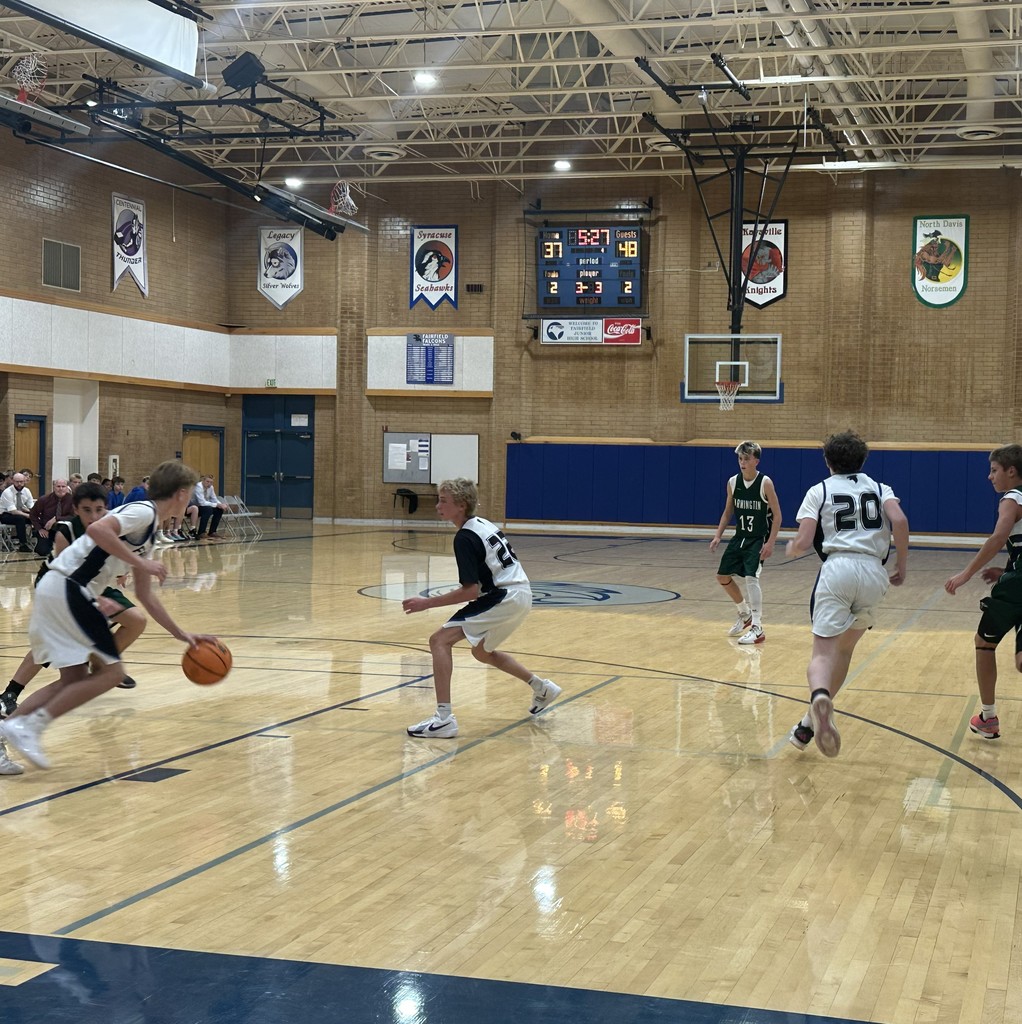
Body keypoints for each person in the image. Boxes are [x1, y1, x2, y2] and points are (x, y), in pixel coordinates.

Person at [0, 461, 217, 771]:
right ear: (182, 494)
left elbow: (144, 596)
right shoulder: (143, 511)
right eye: (192, 493)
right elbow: (100, 529)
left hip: (63, 589)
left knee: (73, 679)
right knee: (111, 674)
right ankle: (29, 727)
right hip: (68, 587)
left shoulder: (150, 531)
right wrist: (140, 564)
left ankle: (7, 731)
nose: (193, 500)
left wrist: (182, 634)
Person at [401, 478, 560, 738]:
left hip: (504, 596)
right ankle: (541, 687)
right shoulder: (482, 523)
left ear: (461, 505)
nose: (438, 505)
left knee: (439, 641)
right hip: (521, 594)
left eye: (443, 500)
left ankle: (443, 719)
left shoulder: (465, 537)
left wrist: (426, 603)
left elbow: (470, 591)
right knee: (482, 653)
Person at [784, 432, 909, 757]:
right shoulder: (882, 489)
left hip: (838, 569)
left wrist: (794, 548)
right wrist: (902, 564)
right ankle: (807, 726)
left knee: (823, 654)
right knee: (845, 651)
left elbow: (805, 537)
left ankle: (820, 698)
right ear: (863, 460)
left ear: (828, 461)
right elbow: (900, 521)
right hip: (873, 573)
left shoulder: (820, 490)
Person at [944, 444, 1022, 740]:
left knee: (983, 643)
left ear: (1011, 472)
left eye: (994, 470)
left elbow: (998, 536)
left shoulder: (1011, 499)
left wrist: (967, 573)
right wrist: (1006, 570)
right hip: (1017, 576)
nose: (990, 477)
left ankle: (988, 718)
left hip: (1019, 584)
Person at [709, 441, 782, 645]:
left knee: (751, 577)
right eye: (740, 458)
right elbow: (727, 512)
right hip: (740, 536)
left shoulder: (765, 482)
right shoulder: (733, 482)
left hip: (758, 538)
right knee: (722, 576)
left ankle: (758, 627)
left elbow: (777, 516)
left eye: (746, 459)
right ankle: (745, 614)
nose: (742, 462)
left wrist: (771, 542)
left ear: (756, 461)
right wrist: (718, 536)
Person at [29, 477, 73, 557]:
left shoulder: (73, 500)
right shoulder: (44, 499)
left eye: (63, 486)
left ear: (67, 487)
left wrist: (56, 518)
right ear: (53, 487)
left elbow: (74, 516)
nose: (61, 489)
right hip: (47, 530)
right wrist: (39, 529)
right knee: (42, 551)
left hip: (65, 531)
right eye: (58, 486)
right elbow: (33, 514)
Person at [0, 471, 36, 551]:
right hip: (5, 514)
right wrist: (28, 515)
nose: (19, 484)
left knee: (37, 517)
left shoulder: (27, 491)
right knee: (20, 519)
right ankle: (23, 544)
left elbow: (31, 506)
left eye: (21, 482)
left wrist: (34, 514)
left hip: (20, 513)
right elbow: (13, 511)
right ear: (13, 481)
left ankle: (38, 538)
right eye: (17, 482)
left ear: (24, 481)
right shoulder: (7, 492)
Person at [193, 474, 229, 539]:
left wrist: (221, 505)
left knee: (219, 510)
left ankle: (212, 531)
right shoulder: (198, 486)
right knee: (208, 509)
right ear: (203, 480)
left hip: (204, 506)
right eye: (207, 481)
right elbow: (201, 502)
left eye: (211, 482)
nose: (209, 484)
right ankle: (201, 532)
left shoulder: (211, 487)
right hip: (194, 507)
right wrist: (217, 505)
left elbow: (214, 499)